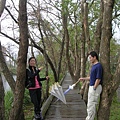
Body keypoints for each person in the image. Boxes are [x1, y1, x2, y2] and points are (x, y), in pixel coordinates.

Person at [79, 51, 103, 120]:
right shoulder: (93, 66)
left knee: (92, 105)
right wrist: (83, 78)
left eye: (90, 58)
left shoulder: (98, 66)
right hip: (92, 87)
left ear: (94, 57)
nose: (89, 59)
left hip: (95, 87)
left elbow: (98, 79)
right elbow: (91, 77)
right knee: (89, 105)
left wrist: (94, 88)